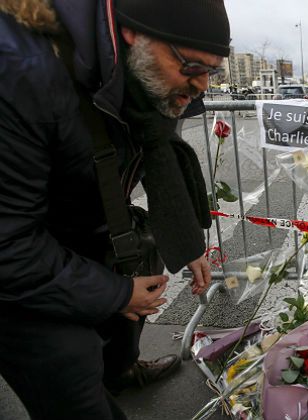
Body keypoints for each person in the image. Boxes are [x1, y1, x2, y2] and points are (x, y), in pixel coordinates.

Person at [0, 0, 229, 418]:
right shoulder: (19, 72)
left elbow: (157, 148)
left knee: (136, 263)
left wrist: (187, 242)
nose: (201, 87)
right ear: (132, 34)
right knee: (71, 370)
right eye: (192, 67)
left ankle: (119, 371)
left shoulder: (132, 69)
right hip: (17, 265)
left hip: (66, 223)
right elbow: (8, 244)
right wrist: (116, 294)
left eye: (211, 72)